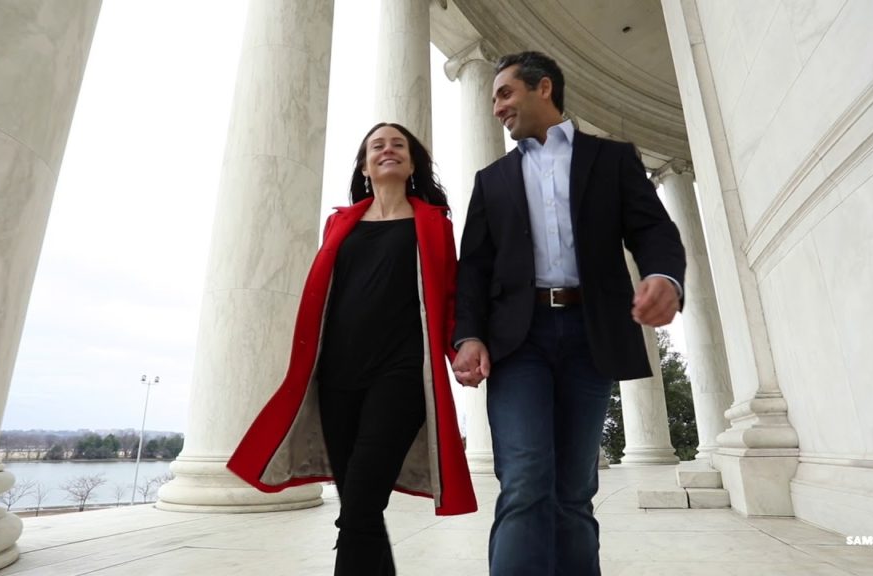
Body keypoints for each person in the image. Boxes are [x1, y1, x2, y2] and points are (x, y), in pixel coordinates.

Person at [451, 51, 686, 575]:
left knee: (575, 489)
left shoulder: (613, 159)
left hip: (590, 334)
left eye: (505, 93)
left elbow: (653, 229)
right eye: (492, 99)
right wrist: (468, 336)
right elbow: (474, 270)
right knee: (527, 479)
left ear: (544, 88)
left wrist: (664, 276)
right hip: (519, 341)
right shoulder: (491, 181)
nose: (496, 109)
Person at [228, 122, 477, 575]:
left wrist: (461, 345)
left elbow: (451, 296)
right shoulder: (339, 223)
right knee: (362, 508)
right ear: (364, 166)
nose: (388, 150)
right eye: (376, 146)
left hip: (401, 374)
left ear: (412, 162)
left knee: (360, 499)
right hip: (337, 377)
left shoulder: (434, 225)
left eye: (398, 145)